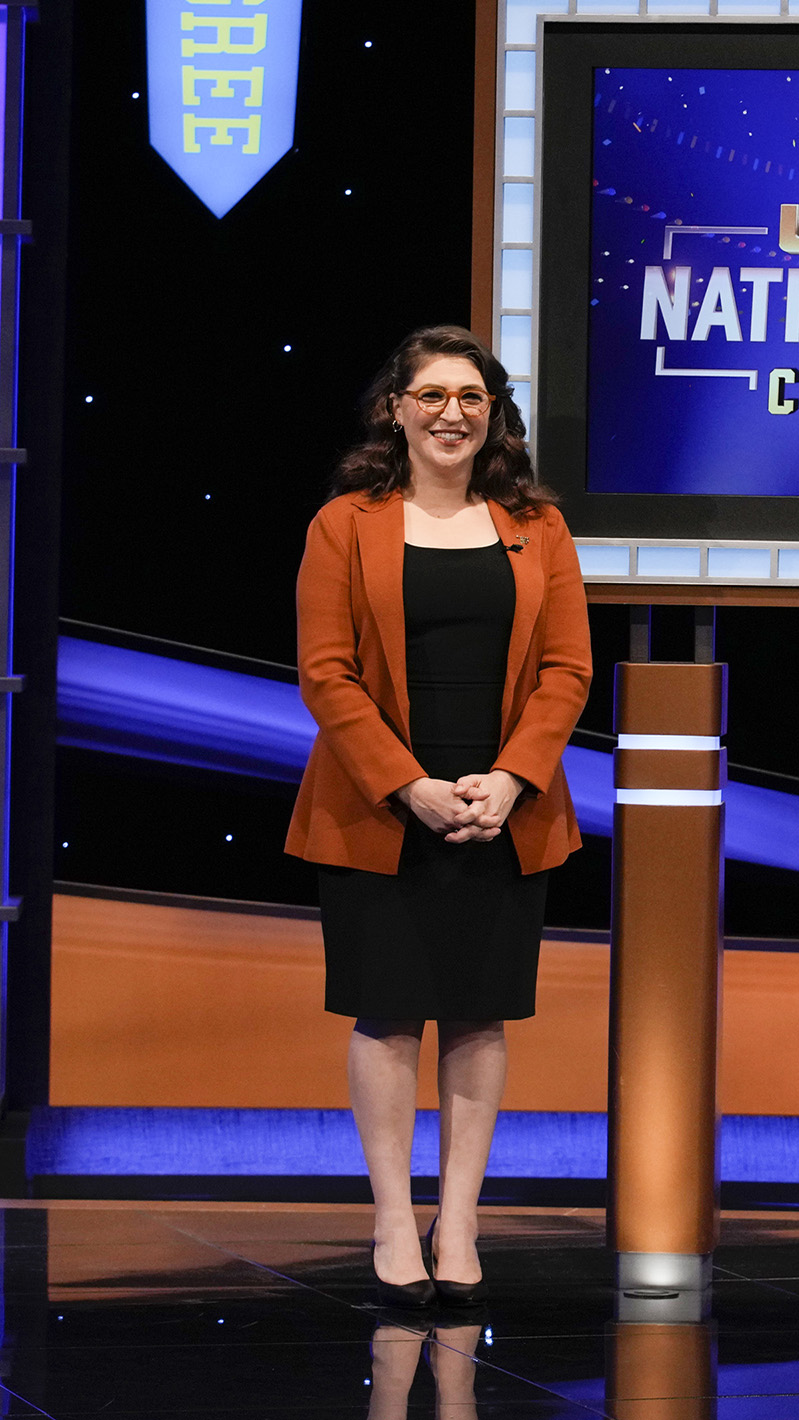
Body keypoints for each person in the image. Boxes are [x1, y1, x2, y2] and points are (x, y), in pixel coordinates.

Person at [287, 326, 591, 1309]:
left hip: (505, 811)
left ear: (493, 412)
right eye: (431, 395)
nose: (451, 412)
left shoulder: (537, 526)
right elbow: (325, 676)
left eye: (470, 396)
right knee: (385, 1015)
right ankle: (389, 1215)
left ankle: (457, 1219)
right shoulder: (345, 523)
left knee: (476, 1014)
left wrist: (509, 780)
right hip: (380, 810)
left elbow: (566, 670)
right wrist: (407, 786)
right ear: (395, 409)